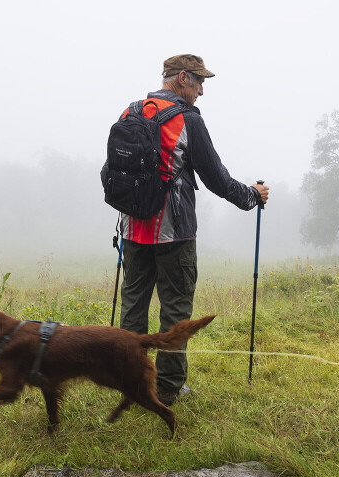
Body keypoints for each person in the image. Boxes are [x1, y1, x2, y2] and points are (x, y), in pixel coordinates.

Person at [117, 54, 269, 406]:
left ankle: (130, 379)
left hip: (132, 228)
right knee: (175, 309)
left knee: (133, 305)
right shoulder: (187, 119)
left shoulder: (132, 111)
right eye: (199, 82)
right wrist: (252, 197)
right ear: (182, 77)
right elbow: (216, 178)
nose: (202, 91)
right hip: (175, 232)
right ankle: (168, 388)